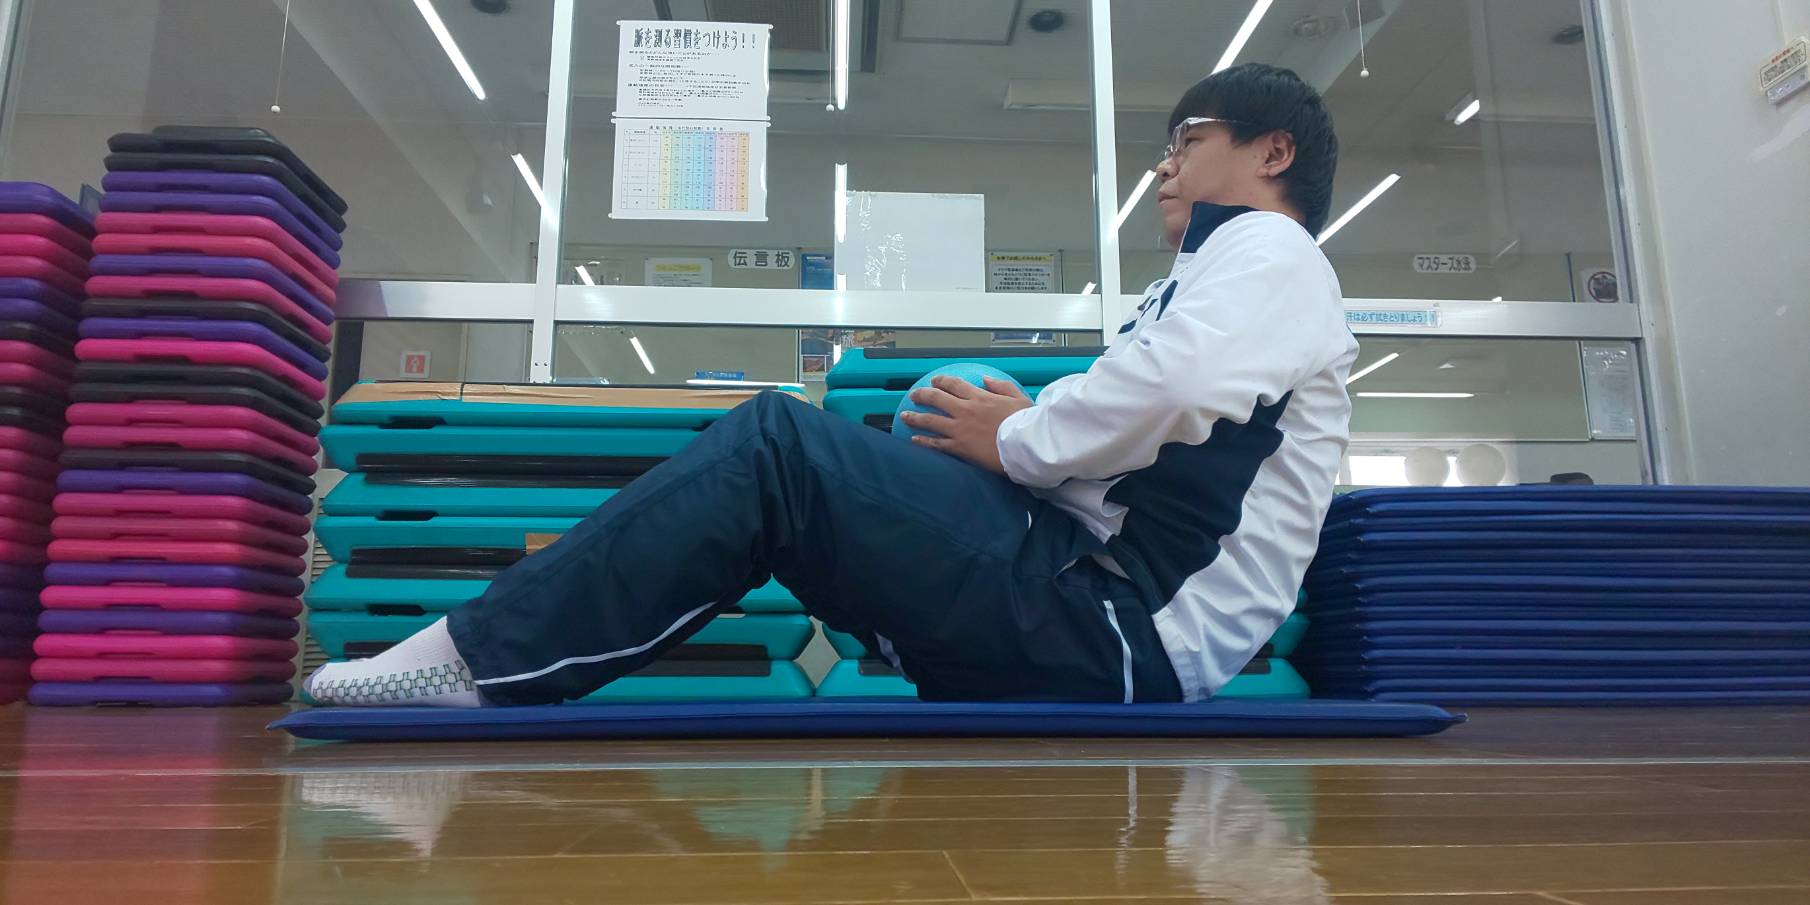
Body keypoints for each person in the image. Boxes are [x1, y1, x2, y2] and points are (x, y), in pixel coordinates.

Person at [304, 63, 1358, 708]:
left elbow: (1172, 391)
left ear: (1273, 151)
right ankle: (496, 656)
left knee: (778, 445)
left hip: (1121, 625)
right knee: (795, 469)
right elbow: (1145, 430)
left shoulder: (1272, 250)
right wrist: (988, 442)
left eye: (1186, 143)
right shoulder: (1216, 274)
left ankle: (480, 659)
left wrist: (1017, 438)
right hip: (1090, 598)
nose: (1163, 168)